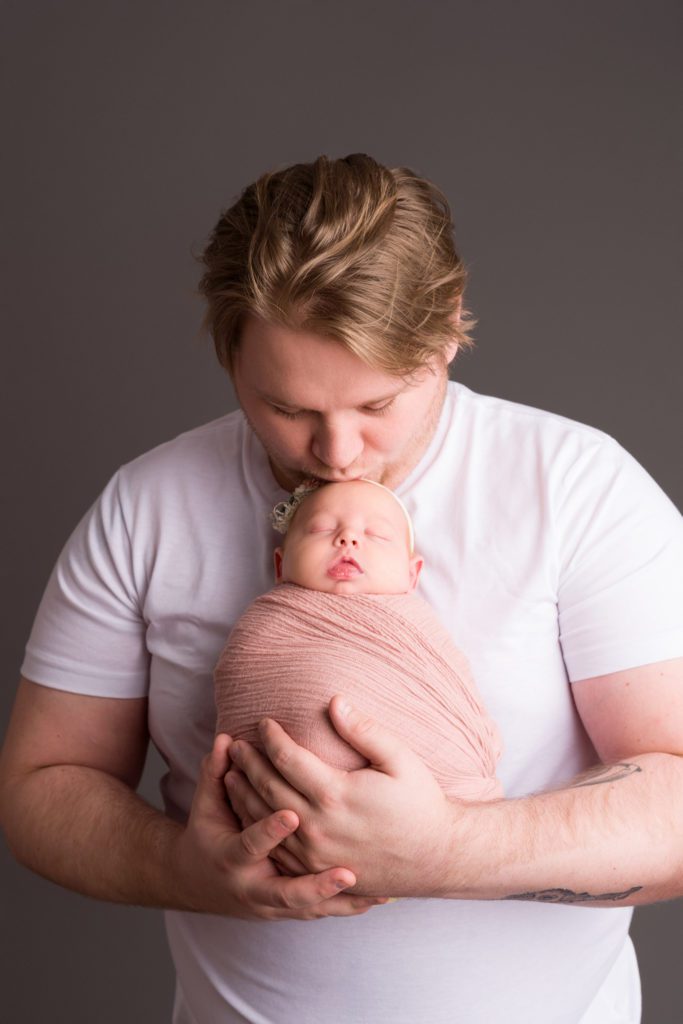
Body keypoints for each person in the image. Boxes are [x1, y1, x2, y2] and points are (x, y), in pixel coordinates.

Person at [0, 152, 682, 1024]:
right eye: (285, 409)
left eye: (376, 405)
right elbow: (43, 783)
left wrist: (446, 848)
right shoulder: (149, 505)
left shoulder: (575, 487)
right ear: (228, 355)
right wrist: (186, 870)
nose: (335, 453)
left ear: (446, 339)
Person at [213, 477, 503, 824]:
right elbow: (240, 693)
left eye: (377, 536)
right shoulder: (265, 625)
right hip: (278, 823)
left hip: (436, 823)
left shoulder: (419, 627)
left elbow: (459, 709)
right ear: (280, 565)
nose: (347, 539)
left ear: (413, 575)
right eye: (321, 529)